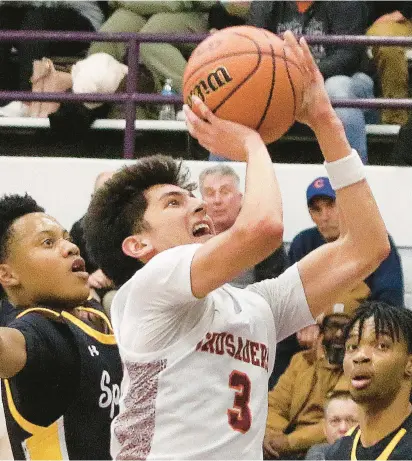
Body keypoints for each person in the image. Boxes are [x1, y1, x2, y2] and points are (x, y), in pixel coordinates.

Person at [83, 31, 390, 459]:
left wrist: (325, 121)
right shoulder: (149, 288)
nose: (199, 207)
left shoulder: (256, 308)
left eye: (194, 197)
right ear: (138, 244)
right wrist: (250, 143)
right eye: (175, 202)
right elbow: (264, 227)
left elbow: (369, 247)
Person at [0, 193, 122, 460]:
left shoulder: (92, 315)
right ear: (7, 274)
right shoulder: (42, 331)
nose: (70, 247)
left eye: (67, 238)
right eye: (48, 242)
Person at [248, 1, 373, 164]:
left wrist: (303, 75)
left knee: (338, 89)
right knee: (236, 97)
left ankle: (357, 179)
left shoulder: (346, 3)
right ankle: (218, 176)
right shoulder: (266, 4)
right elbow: (252, 50)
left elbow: (348, 56)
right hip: (283, 82)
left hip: (343, 78)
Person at [289, 176, 404, 311]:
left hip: (364, 326)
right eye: (317, 210)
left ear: (345, 205)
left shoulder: (373, 239)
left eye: (331, 205)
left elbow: (390, 299)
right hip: (318, 327)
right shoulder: (303, 243)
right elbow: (290, 298)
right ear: (310, 214)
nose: (324, 217)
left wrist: (359, 326)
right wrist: (305, 324)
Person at [325, 301, 412, 459]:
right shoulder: (337, 452)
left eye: (381, 346)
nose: (360, 356)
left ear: (409, 364)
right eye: (352, 347)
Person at [264, 314, 351, 460]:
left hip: (325, 444)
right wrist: (271, 435)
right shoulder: (301, 361)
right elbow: (276, 404)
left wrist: (289, 442)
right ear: (321, 330)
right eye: (333, 326)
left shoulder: (355, 368)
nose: (339, 333)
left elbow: (340, 422)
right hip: (285, 441)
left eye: (346, 328)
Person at [0, 1, 105, 118]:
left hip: (83, 19)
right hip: (38, 14)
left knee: (36, 18)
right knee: (4, 15)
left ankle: (27, 100)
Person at [199, 163, 289, 288]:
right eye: (210, 193)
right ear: (201, 201)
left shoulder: (262, 237)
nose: (217, 200)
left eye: (225, 192)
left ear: (240, 199)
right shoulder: (190, 238)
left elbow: (276, 291)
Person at [70, 170, 116, 313]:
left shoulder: (136, 227)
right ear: (93, 198)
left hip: (124, 289)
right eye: (104, 195)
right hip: (90, 289)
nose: (110, 201)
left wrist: (112, 274)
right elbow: (70, 269)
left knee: (112, 301)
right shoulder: (80, 229)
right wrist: (87, 282)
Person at [366, 2, 412, 126]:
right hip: (384, 21)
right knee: (387, 42)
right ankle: (396, 120)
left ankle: (395, 118)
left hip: (404, 17)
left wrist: (405, 12)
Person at [305, 391, 360, 460]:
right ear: (325, 427)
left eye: (351, 421)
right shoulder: (318, 454)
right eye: (335, 421)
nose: (343, 428)